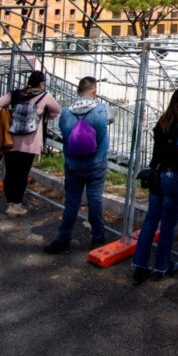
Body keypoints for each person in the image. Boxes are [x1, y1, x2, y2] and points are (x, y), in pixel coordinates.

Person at [132, 86, 178, 284]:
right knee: (168, 224)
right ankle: (161, 266)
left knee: (151, 221)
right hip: (174, 175)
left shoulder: (163, 121)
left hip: (157, 174)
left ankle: (139, 265)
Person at [43, 76, 114, 253]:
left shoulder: (66, 113)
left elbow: (65, 133)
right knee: (95, 199)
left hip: (73, 164)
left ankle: (64, 239)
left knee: (72, 201)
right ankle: (98, 237)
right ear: (94, 91)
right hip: (96, 163)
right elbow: (111, 119)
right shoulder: (102, 110)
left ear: (78, 91)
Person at [0, 70, 61, 217]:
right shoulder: (45, 95)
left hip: (11, 140)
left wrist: (7, 119)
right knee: (22, 174)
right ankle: (17, 205)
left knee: (10, 173)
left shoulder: (16, 93)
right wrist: (45, 116)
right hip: (30, 141)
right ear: (41, 83)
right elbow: (57, 110)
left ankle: (9, 204)